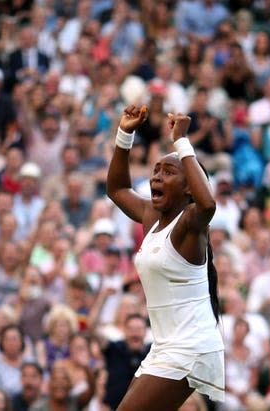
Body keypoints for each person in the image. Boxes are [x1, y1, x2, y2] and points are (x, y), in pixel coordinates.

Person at [105, 106, 224, 409]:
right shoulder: (151, 215)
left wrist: (181, 141)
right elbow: (117, 188)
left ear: (189, 188)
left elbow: (208, 204)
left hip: (190, 346)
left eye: (169, 172)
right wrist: (125, 133)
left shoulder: (191, 224)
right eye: (156, 170)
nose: (157, 176)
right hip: (165, 346)